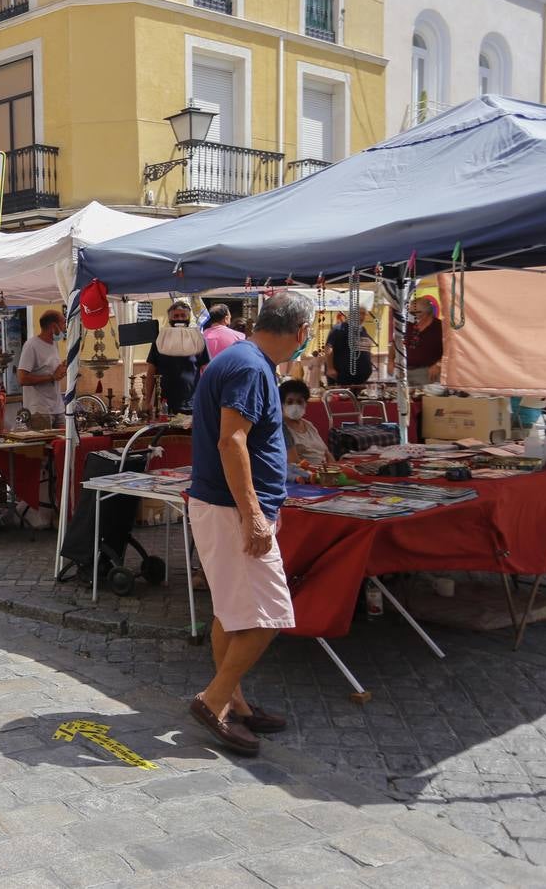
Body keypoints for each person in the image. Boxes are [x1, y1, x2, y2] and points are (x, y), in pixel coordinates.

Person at [187, 291, 314, 756]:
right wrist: (255, 514)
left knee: (233, 611)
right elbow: (231, 442)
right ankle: (213, 700)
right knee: (269, 615)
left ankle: (233, 702)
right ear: (301, 332)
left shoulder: (244, 360)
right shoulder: (249, 365)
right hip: (232, 509)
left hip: (226, 506)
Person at [145, 301, 211, 415]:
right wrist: (147, 401)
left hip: (192, 402)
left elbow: (207, 371)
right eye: (176, 316)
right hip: (164, 403)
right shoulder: (160, 341)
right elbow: (151, 372)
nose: (179, 318)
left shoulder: (197, 340)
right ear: (169, 318)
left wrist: (209, 399)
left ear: (189, 318)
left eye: (183, 315)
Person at [16, 310, 68, 429]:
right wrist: (51, 377)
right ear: (53, 326)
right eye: (63, 323)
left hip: (57, 408)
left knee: (63, 445)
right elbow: (22, 379)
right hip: (39, 411)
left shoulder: (54, 344)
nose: (65, 327)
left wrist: (62, 368)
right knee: (43, 447)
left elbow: (53, 371)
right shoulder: (31, 345)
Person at [279, 379, 334, 472]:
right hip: (306, 475)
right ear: (281, 404)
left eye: (299, 402)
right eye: (290, 402)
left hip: (326, 472)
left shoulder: (309, 425)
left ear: (306, 404)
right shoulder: (281, 429)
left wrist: (334, 470)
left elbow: (327, 453)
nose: (295, 406)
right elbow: (294, 463)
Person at [323, 317, 373, 386]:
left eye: (364, 314)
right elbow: (328, 348)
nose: (362, 317)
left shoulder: (362, 330)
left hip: (359, 379)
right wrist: (330, 368)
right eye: (360, 313)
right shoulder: (338, 329)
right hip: (341, 377)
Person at [406, 296, 443, 386]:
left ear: (428, 312)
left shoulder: (440, 327)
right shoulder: (408, 326)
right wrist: (391, 360)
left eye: (417, 312)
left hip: (429, 373)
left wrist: (439, 364)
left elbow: (452, 351)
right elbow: (395, 342)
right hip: (406, 372)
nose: (413, 315)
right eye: (411, 312)